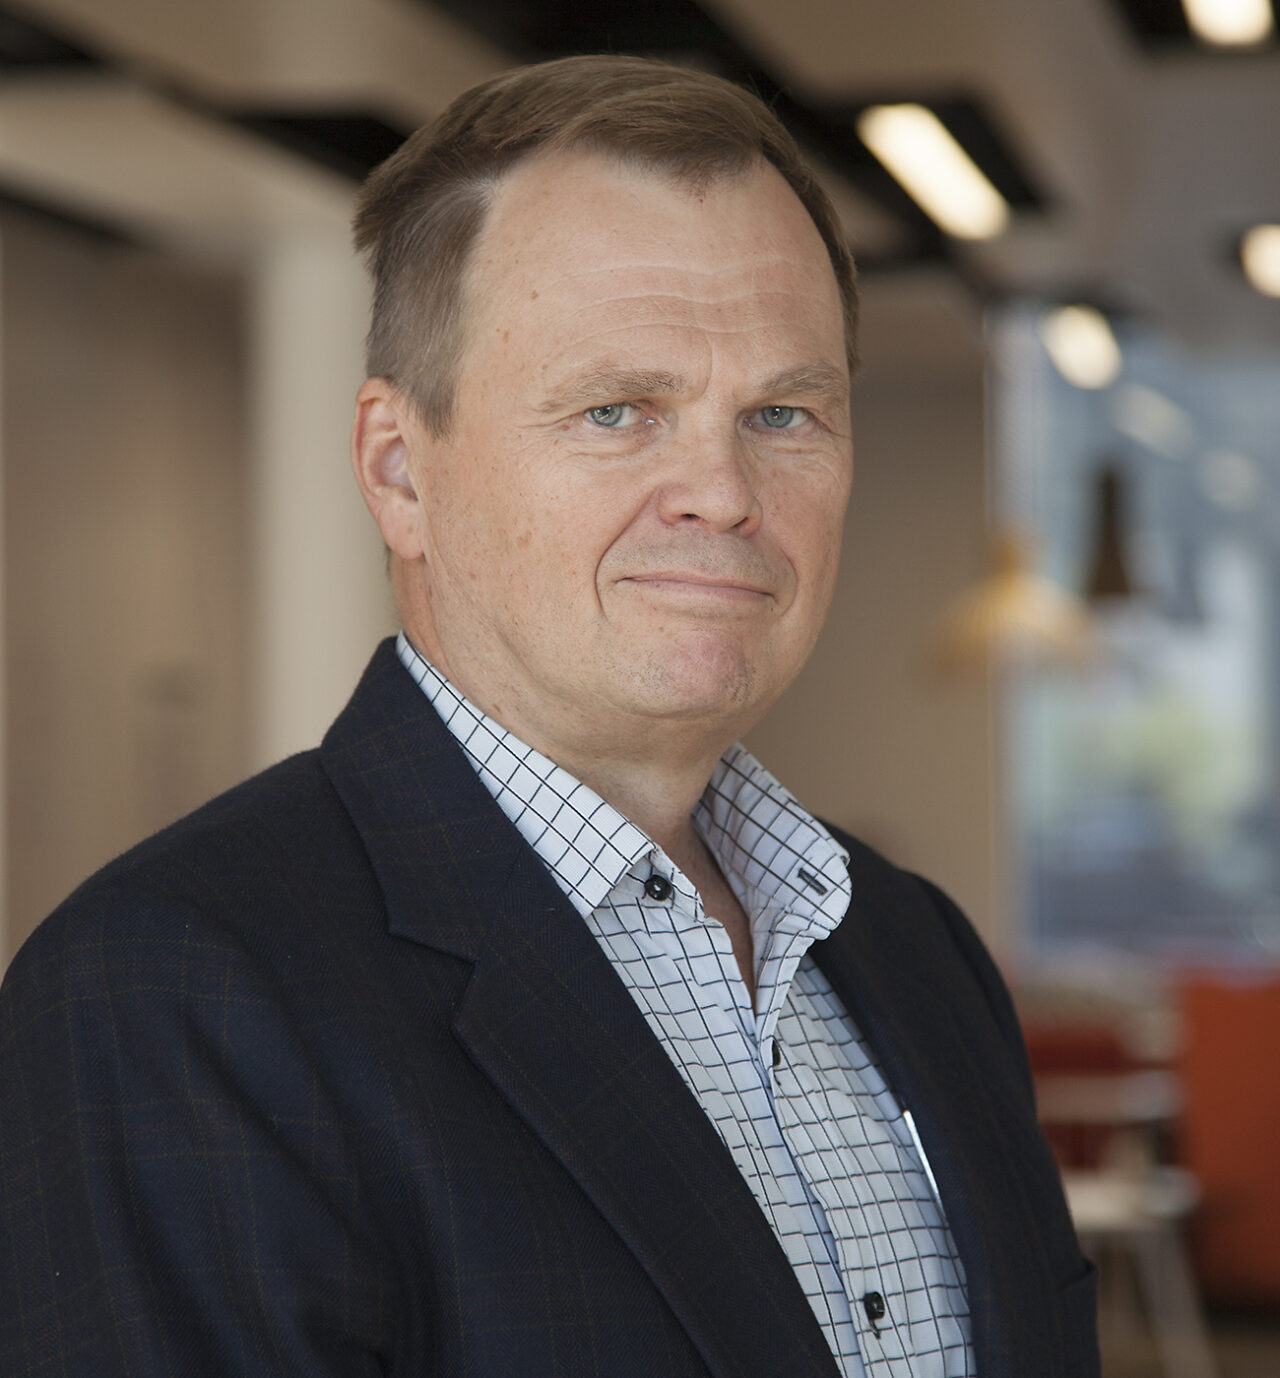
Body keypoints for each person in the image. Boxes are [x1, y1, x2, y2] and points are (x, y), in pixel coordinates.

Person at [0, 55, 1098, 1378]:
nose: (722, 491)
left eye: (784, 412)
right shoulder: (171, 994)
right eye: (616, 410)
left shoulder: (918, 951)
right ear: (399, 472)